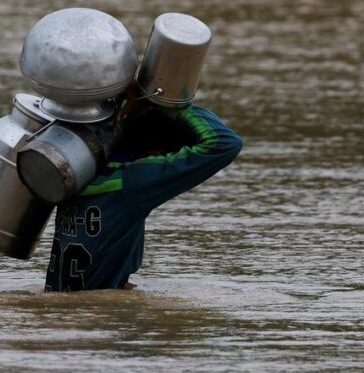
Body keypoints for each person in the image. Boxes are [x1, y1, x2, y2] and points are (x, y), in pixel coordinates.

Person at [44, 100, 243, 292]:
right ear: (156, 152)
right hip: (93, 316)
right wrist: (172, 103)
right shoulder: (133, 182)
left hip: (59, 302)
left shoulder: (78, 172)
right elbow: (225, 144)